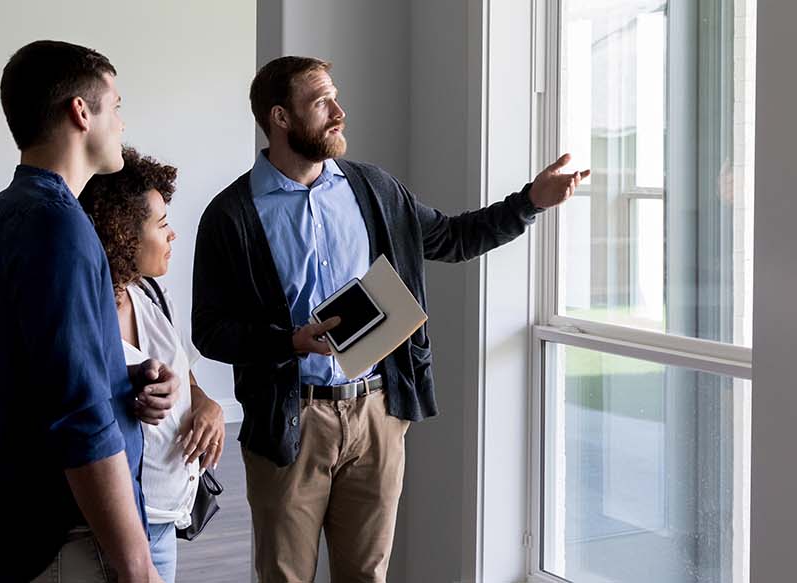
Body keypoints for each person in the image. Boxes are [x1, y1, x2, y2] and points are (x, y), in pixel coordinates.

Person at [192, 55, 588, 583]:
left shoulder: (374, 189)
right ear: (280, 118)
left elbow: (452, 237)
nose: (338, 111)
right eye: (320, 102)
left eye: (335, 97)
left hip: (378, 413)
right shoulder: (232, 213)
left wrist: (530, 202)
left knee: (368, 575)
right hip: (290, 420)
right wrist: (289, 341)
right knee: (284, 576)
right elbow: (210, 328)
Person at [0, 40, 177, 583]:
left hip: (17, 528)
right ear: (81, 112)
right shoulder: (59, 226)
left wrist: (122, 375)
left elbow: (34, 370)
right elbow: (77, 416)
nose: (124, 125)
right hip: (69, 539)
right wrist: (137, 566)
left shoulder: (6, 212)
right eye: (118, 106)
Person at [81, 147, 229, 583]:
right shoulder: (89, 312)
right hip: (113, 531)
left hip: (165, 521)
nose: (172, 236)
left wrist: (205, 403)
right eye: (161, 225)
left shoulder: (149, 294)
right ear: (123, 233)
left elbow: (185, 371)